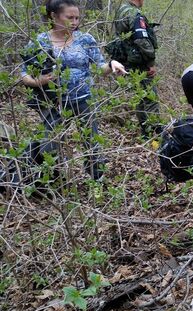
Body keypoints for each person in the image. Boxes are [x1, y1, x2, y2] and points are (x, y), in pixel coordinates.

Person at [21, 0, 127, 180]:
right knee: (50, 142)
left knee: (92, 141)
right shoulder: (39, 42)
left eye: (77, 17)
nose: (75, 21)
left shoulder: (85, 39)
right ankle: (49, 180)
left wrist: (112, 64)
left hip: (84, 98)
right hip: (54, 101)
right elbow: (24, 73)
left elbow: (100, 66)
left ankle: (97, 180)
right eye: (69, 17)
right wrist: (38, 81)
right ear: (54, 16)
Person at [110, 0, 159, 137]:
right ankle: (154, 133)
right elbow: (141, 39)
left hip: (128, 63)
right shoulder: (134, 13)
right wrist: (150, 62)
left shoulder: (121, 11)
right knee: (150, 99)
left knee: (140, 99)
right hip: (140, 64)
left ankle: (145, 133)